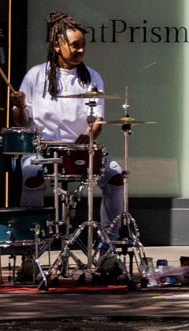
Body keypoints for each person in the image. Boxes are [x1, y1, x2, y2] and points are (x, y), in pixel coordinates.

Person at [18, 14, 129, 241]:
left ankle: (108, 245)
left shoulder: (91, 77)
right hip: (44, 149)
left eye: (83, 46)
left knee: (116, 177)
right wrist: (19, 107)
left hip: (82, 149)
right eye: (74, 46)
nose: (80, 50)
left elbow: (97, 120)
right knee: (31, 175)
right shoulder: (35, 75)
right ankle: (31, 246)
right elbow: (22, 122)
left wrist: (89, 135)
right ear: (57, 46)